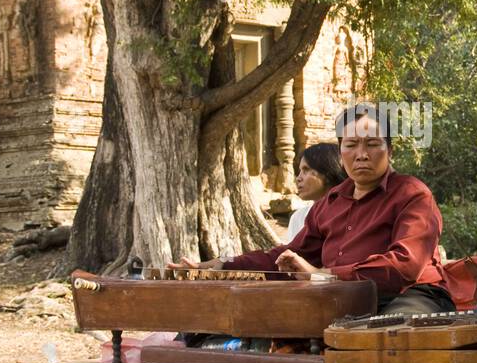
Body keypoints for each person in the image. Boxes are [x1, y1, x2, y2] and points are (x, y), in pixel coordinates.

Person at [170, 102, 455, 315]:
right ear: (341, 152)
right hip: (339, 296)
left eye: (372, 144)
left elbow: (404, 266)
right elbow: (286, 257)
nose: (361, 154)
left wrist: (323, 275)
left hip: (412, 296)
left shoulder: (412, 194)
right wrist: (222, 265)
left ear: (390, 151)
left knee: (386, 334)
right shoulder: (331, 202)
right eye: (351, 145)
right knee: (257, 318)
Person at [287, 143, 346, 241]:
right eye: (300, 171)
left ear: (327, 173)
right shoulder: (298, 217)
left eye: (306, 170)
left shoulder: (349, 215)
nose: (298, 178)